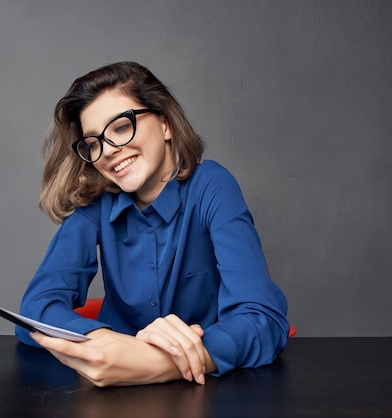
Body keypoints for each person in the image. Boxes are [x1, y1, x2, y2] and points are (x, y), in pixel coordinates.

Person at [15, 61, 289, 387]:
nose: (109, 151)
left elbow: (264, 319)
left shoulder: (212, 186)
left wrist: (160, 362)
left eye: (120, 127)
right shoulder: (95, 204)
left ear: (165, 124)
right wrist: (106, 343)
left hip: (205, 391)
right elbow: (34, 311)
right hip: (107, 393)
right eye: (93, 143)